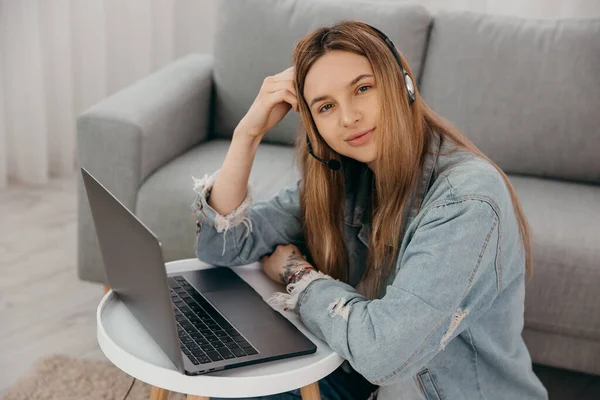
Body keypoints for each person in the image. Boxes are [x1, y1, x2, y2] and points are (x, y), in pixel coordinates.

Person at [190, 20, 548, 400]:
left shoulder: (466, 202)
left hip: (433, 392)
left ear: (403, 85)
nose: (348, 118)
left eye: (362, 89)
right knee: (228, 388)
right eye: (326, 107)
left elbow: (383, 353)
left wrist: (298, 274)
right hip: (363, 379)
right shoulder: (347, 176)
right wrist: (248, 133)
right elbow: (219, 246)